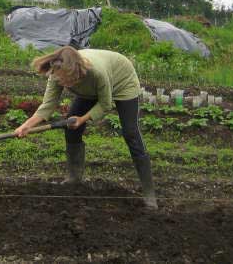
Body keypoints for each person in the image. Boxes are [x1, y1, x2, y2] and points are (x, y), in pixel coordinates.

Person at [15, 46, 158, 209]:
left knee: (130, 133)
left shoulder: (97, 72)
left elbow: (105, 104)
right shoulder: (57, 73)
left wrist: (82, 119)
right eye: (61, 80)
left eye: (67, 81)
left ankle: (149, 194)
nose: (64, 84)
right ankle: (74, 179)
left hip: (122, 81)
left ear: (76, 71)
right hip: (89, 91)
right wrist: (26, 126)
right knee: (71, 128)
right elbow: (48, 104)